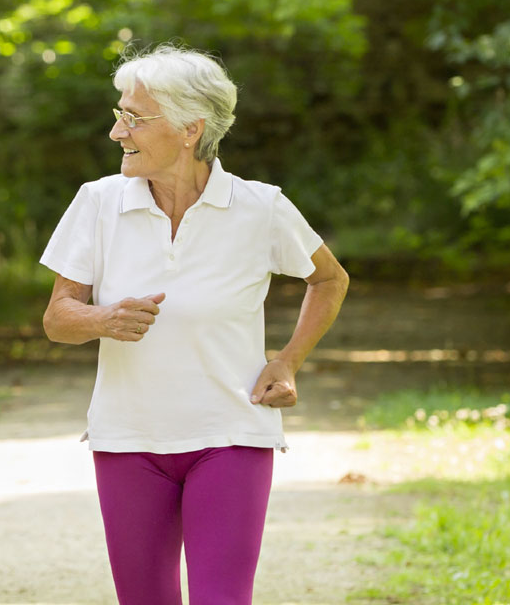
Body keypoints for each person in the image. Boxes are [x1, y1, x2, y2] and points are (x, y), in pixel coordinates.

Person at [39, 44, 350, 604]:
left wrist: (287, 360)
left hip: (230, 434)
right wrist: (102, 318)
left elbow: (329, 280)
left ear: (190, 129)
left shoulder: (262, 208)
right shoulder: (98, 203)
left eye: (133, 118)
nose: (117, 132)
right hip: (128, 438)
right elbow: (58, 318)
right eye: (119, 114)